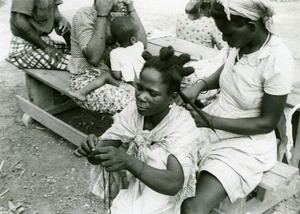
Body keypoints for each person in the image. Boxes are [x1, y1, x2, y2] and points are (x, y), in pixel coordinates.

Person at [180, 0, 294, 213]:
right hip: (213, 121)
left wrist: (210, 121)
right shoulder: (241, 44)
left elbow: (266, 123)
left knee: (192, 208)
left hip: (246, 144)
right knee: (160, 166)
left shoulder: (277, 59)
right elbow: (229, 70)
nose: (223, 38)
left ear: (251, 27)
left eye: (228, 33)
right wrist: (199, 86)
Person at [75, 46, 201, 214]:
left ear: (172, 97)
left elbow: (173, 184)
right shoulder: (133, 112)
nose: (141, 97)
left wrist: (128, 161)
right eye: (139, 88)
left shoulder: (182, 125)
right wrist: (92, 149)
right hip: (138, 182)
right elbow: (101, 153)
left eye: (152, 93)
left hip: (162, 193)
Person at [68, 0, 147, 114]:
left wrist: (130, 8)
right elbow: (94, 59)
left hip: (116, 77)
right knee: (136, 104)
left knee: (151, 99)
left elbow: (141, 44)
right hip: (87, 80)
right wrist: (102, 15)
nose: (122, 1)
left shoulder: (118, 14)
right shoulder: (84, 15)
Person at [8, 0, 71, 70]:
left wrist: (61, 20)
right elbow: (18, 22)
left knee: (79, 53)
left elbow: (55, 12)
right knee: (78, 64)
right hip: (23, 49)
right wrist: (46, 47)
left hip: (41, 41)